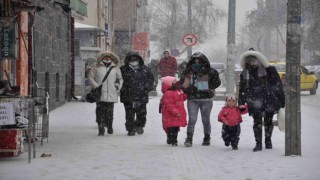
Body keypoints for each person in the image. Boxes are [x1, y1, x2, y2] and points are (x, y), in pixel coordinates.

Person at [238, 48, 285, 152]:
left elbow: (278, 85)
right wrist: (241, 103)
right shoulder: (245, 73)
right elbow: (242, 89)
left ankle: (268, 141)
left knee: (268, 122)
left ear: (260, 59)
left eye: (254, 59)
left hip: (270, 99)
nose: (252, 62)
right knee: (257, 122)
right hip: (254, 100)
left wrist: (281, 100)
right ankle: (258, 143)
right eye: (249, 60)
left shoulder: (270, 70)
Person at [180, 52, 221, 147]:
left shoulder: (210, 71)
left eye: (199, 61)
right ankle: (189, 138)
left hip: (206, 99)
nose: (197, 63)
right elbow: (183, 84)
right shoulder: (188, 72)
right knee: (192, 119)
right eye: (195, 61)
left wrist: (207, 87)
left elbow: (217, 82)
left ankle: (207, 137)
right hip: (192, 99)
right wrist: (188, 87)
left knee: (205, 120)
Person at [88, 52, 123, 136]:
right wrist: (96, 86)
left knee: (110, 112)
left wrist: (118, 86)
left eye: (109, 57)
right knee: (99, 111)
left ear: (112, 58)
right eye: (105, 56)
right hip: (100, 92)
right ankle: (101, 127)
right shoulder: (96, 66)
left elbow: (120, 78)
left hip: (112, 92)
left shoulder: (115, 68)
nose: (107, 58)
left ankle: (109, 125)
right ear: (102, 58)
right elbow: (90, 77)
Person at [120, 51, 154, 136]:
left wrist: (147, 87)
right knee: (129, 114)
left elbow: (151, 79)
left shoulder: (145, 69)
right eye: (131, 59)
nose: (133, 60)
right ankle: (130, 129)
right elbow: (118, 80)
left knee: (141, 113)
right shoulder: (123, 69)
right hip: (127, 95)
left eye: (135, 58)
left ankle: (140, 126)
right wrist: (122, 88)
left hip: (141, 95)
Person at [160, 76, 187, 146]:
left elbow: (182, 98)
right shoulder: (168, 93)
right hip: (170, 114)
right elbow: (168, 105)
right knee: (171, 127)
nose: (176, 82)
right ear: (169, 83)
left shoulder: (178, 91)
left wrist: (185, 93)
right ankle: (172, 139)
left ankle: (173, 139)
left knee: (176, 127)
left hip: (177, 113)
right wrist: (175, 112)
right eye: (174, 81)